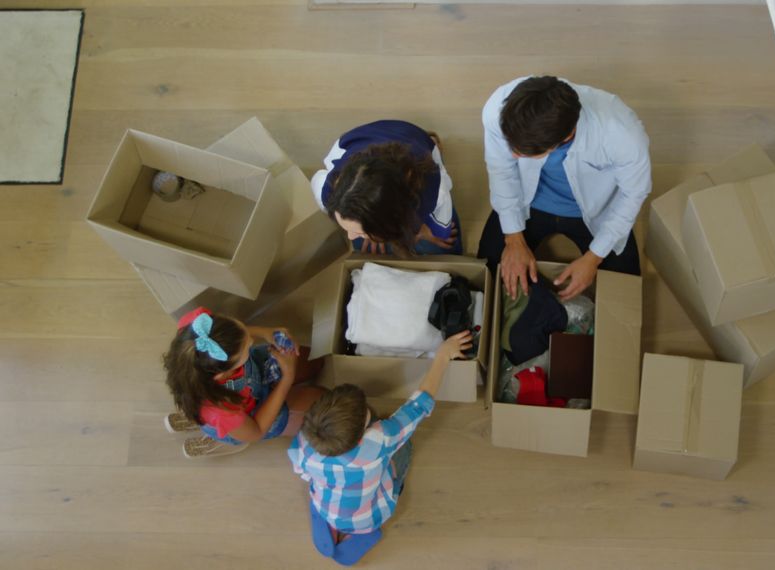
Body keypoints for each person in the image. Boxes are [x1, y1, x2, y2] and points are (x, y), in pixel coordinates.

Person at [288, 331, 472, 566]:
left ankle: (336, 524)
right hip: (371, 516)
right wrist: (443, 355)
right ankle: (359, 530)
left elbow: (301, 470)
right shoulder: (378, 440)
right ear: (362, 434)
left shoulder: (305, 440)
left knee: (333, 497)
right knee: (404, 447)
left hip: (327, 507)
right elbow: (419, 405)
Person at [477, 76, 651, 300]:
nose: (512, 155)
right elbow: (502, 170)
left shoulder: (622, 134)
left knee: (624, 292)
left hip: (595, 209)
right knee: (486, 278)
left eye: (523, 152)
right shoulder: (498, 108)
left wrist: (593, 257)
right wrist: (513, 239)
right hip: (527, 201)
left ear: (566, 137)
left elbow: (633, 194)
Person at [162, 307, 326, 459]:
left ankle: (206, 422)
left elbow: (234, 334)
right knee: (323, 405)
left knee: (316, 360)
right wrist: (287, 379)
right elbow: (256, 431)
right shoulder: (220, 409)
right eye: (246, 347)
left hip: (250, 379)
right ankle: (223, 436)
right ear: (221, 374)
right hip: (253, 418)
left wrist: (264, 332)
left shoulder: (199, 325)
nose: (252, 341)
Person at [312, 120, 462, 255]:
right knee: (365, 248)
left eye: (360, 231)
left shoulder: (431, 188)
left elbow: (442, 222)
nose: (349, 236)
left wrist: (430, 231)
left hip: (414, 140)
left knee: (445, 245)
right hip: (358, 140)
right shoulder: (329, 191)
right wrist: (369, 231)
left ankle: (430, 142)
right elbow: (317, 179)